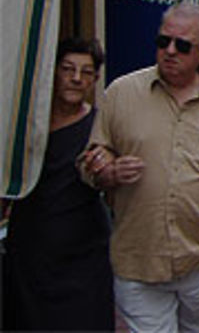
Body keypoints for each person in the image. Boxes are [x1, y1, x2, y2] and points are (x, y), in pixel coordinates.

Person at [81, 3, 199, 332]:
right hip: (139, 257)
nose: (170, 51)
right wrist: (105, 171)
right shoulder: (121, 93)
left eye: (182, 45)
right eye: (163, 42)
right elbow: (93, 156)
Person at [3, 38, 114, 331]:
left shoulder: (100, 128)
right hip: (30, 255)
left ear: (95, 79)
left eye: (86, 72)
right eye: (68, 69)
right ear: (53, 71)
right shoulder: (26, 125)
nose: (76, 79)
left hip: (84, 258)